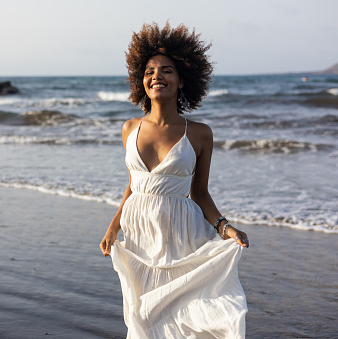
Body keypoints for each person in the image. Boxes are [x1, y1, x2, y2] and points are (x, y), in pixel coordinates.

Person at [100, 22, 249, 338]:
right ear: (141, 81)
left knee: (187, 318)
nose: (157, 76)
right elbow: (134, 186)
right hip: (139, 235)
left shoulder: (199, 133)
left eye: (167, 70)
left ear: (182, 81)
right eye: (150, 71)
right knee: (142, 318)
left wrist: (226, 228)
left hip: (181, 233)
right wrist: (113, 228)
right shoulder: (129, 129)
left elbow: (201, 194)